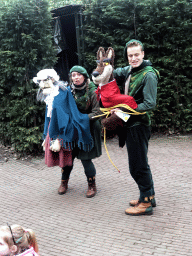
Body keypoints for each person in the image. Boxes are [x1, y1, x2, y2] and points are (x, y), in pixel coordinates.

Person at [113, 39, 160, 216]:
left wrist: (125, 109)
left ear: (143, 54)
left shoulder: (148, 75)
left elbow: (149, 103)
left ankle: (145, 204)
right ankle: (149, 196)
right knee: (141, 162)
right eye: (130, 55)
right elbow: (116, 72)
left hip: (139, 124)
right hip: (130, 124)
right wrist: (105, 68)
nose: (133, 58)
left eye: (136, 55)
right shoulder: (130, 70)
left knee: (138, 165)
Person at [58, 65, 102, 198]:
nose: (75, 78)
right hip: (72, 129)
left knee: (85, 159)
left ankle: (92, 185)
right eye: (73, 75)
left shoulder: (93, 91)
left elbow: (97, 112)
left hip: (88, 128)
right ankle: (64, 182)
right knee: (68, 157)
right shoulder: (68, 91)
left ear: (84, 76)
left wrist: (80, 119)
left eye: (78, 75)